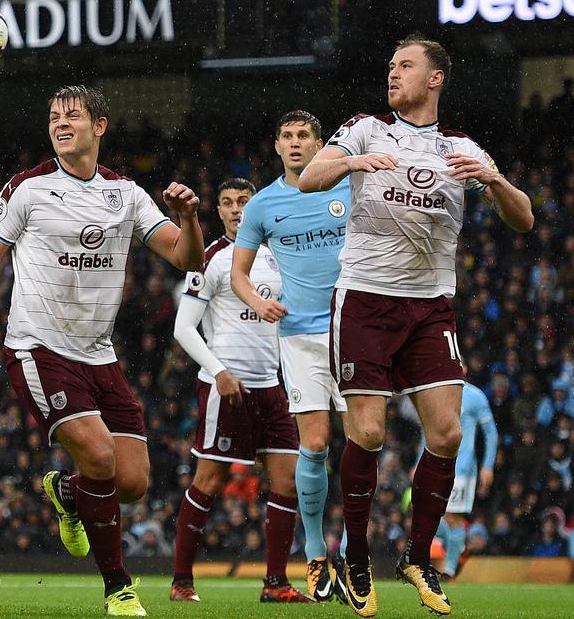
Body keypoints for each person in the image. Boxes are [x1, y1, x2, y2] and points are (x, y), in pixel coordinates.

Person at [0, 85, 204, 617]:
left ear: (99, 126)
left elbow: (184, 257)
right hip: (39, 349)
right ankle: (118, 587)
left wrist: (191, 218)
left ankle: (67, 489)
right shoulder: (28, 188)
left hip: (99, 354)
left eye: (73, 116)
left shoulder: (127, 194)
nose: (60, 123)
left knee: (131, 483)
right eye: (54, 116)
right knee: (103, 456)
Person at [298, 35, 533, 617]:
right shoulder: (364, 129)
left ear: (436, 79)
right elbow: (309, 178)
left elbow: (524, 219)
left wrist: (495, 180)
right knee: (370, 433)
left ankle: (414, 556)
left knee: (448, 435)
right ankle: (356, 554)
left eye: (405, 66)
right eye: (390, 66)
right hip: (365, 302)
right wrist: (353, 163)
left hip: (430, 306)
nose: (393, 74)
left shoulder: (462, 148)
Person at [170, 178, 312, 603]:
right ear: (219, 211)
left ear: (257, 207)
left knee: (289, 481)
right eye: (228, 203)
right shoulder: (212, 258)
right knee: (210, 482)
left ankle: (275, 584)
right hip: (226, 386)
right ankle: (181, 583)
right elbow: (183, 328)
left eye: (243, 202)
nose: (236, 209)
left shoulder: (280, 255)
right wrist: (217, 371)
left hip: (271, 387)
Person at [230, 110, 351, 602]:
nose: (296, 143)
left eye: (304, 136)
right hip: (299, 336)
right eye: (287, 136)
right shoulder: (261, 206)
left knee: (365, 440)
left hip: (354, 332)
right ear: (277, 146)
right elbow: (239, 275)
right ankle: (317, 551)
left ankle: (355, 549)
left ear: (320, 144)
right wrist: (258, 301)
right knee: (317, 443)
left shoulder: (346, 188)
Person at [434, 383, 497, 580]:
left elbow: (491, 433)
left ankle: (450, 570)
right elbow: (427, 431)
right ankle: (459, 548)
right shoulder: (436, 393)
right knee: (429, 513)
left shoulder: (474, 395)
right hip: (436, 463)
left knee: (452, 516)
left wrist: (488, 465)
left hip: (463, 467)